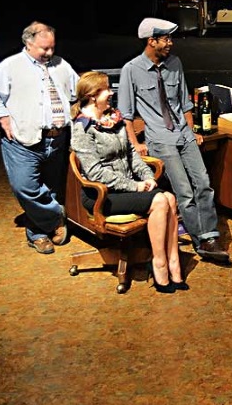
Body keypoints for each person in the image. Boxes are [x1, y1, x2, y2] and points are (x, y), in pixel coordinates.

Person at [118, 17, 230, 266]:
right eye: (166, 39)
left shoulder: (175, 63)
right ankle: (203, 241)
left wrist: (191, 131)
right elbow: (126, 115)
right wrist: (135, 144)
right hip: (160, 138)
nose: (170, 43)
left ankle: (210, 235)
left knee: (203, 183)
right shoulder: (131, 70)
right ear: (151, 41)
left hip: (183, 134)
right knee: (184, 191)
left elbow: (184, 103)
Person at [70, 71, 184, 294]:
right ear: (93, 96)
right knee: (160, 201)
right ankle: (159, 264)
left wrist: (147, 177)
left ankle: (173, 262)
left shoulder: (114, 118)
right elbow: (95, 173)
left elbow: (132, 154)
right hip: (102, 195)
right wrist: (134, 186)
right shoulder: (82, 128)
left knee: (170, 198)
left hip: (127, 187)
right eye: (106, 89)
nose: (111, 93)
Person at [0, 21, 79, 255]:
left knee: (51, 187)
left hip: (57, 138)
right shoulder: (12, 66)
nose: (50, 52)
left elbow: (77, 89)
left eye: (52, 47)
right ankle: (58, 215)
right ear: (28, 43)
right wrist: (1, 115)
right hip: (23, 140)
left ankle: (38, 234)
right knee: (25, 187)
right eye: (44, 48)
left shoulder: (61, 64)